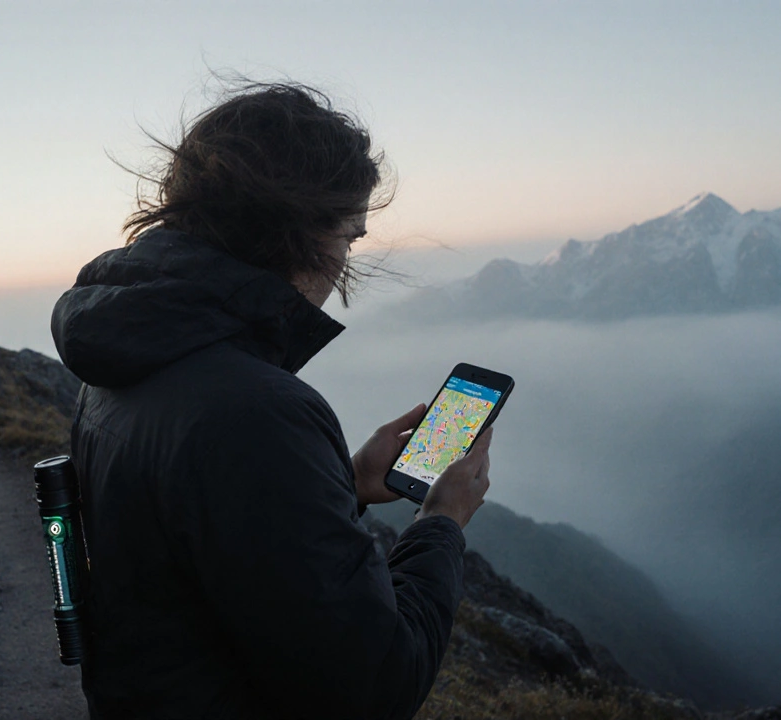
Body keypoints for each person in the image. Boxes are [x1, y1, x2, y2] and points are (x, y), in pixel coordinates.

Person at [51, 81, 493, 720]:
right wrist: (443, 523)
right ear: (295, 232)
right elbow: (376, 682)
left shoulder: (126, 355)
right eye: (350, 235)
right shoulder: (259, 413)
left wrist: (346, 482)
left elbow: (194, 535)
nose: (347, 259)